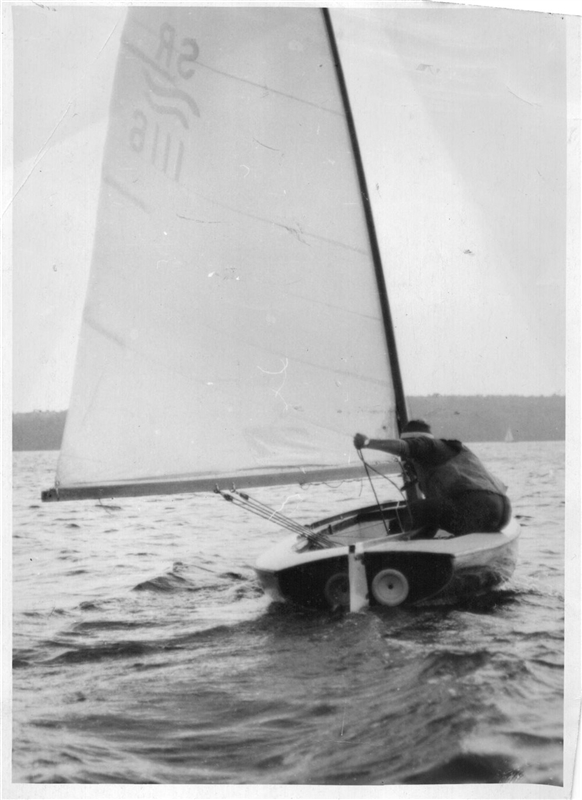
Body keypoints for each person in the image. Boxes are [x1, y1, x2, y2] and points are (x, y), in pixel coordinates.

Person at [353, 419, 511, 536]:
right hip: (503, 512)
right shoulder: (450, 451)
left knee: (413, 511)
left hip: (477, 507)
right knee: (429, 511)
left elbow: (404, 447)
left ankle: (395, 553)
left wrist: (367, 442)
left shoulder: (427, 445)